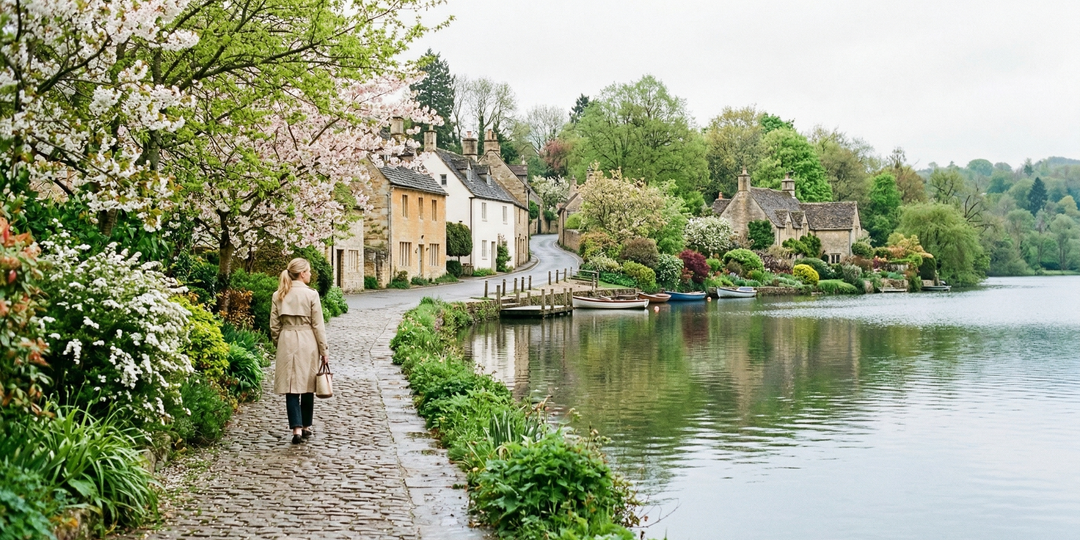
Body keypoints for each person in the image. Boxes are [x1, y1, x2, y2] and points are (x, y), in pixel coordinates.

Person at [270, 258, 329, 444]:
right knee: (308, 385)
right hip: (307, 340)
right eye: (309, 271)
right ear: (302, 273)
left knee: (291, 386)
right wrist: (324, 350)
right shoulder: (311, 295)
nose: (311, 274)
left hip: (286, 340)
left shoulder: (278, 294)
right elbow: (318, 325)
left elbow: (274, 326)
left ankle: (296, 429)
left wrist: (279, 342)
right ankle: (306, 426)